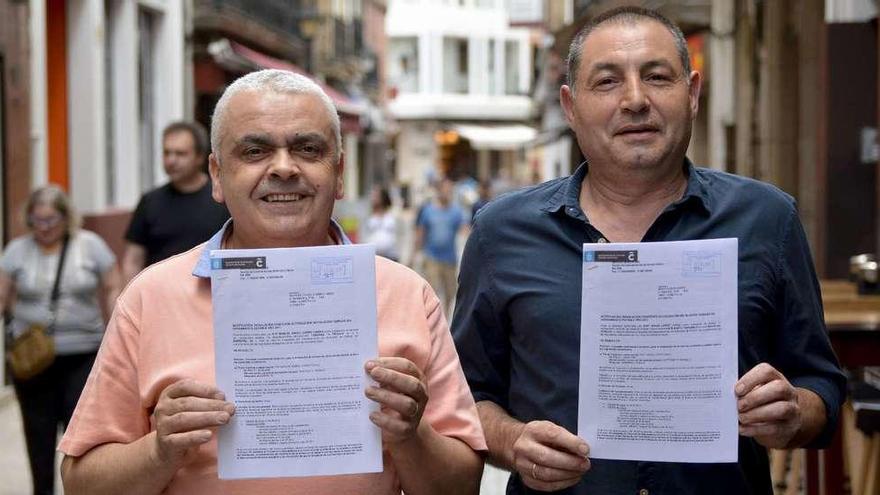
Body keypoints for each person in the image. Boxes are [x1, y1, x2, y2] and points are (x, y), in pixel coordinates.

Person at [451, 6, 846, 495]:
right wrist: (513, 443)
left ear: (693, 93)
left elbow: (824, 388)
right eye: (608, 82)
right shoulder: (501, 233)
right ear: (570, 107)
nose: (635, 100)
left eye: (657, 77)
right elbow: (465, 398)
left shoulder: (767, 220)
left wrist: (793, 412)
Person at [59, 69, 485, 495]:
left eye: (308, 148)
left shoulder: (407, 295)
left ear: (338, 173)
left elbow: (464, 483)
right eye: (255, 150)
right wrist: (159, 451)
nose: (283, 168)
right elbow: (80, 483)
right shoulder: (150, 299)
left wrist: (412, 436)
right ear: (217, 175)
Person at [0, 185, 121, 495]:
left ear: (66, 218)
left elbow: (111, 287)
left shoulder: (89, 245)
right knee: (37, 435)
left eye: (51, 220)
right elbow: (3, 297)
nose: (44, 228)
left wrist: (115, 336)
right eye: (38, 220)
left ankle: (81, 488)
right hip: (33, 360)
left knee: (81, 436)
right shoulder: (17, 250)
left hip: (83, 355)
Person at [121, 121, 230, 284]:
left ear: (200, 157)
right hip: (160, 296)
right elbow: (133, 260)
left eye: (180, 154)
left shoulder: (222, 198)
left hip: (210, 294)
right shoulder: (150, 201)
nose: (171, 160)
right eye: (167, 153)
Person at [415, 178, 466, 317]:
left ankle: (445, 319)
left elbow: (464, 231)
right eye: (445, 189)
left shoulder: (456, 212)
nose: (447, 192)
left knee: (450, 293)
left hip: (450, 259)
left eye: (450, 190)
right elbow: (421, 232)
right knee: (433, 292)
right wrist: (416, 254)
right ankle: (434, 320)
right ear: (439, 191)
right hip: (432, 257)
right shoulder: (428, 211)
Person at [362, 186, 400, 261]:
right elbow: (363, 237)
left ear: (383, 197)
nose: (373, 198)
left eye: (376, 195)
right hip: (373, 258)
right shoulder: (368, 218)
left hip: (391, 257)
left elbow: (400, 236)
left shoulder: (393, 216)